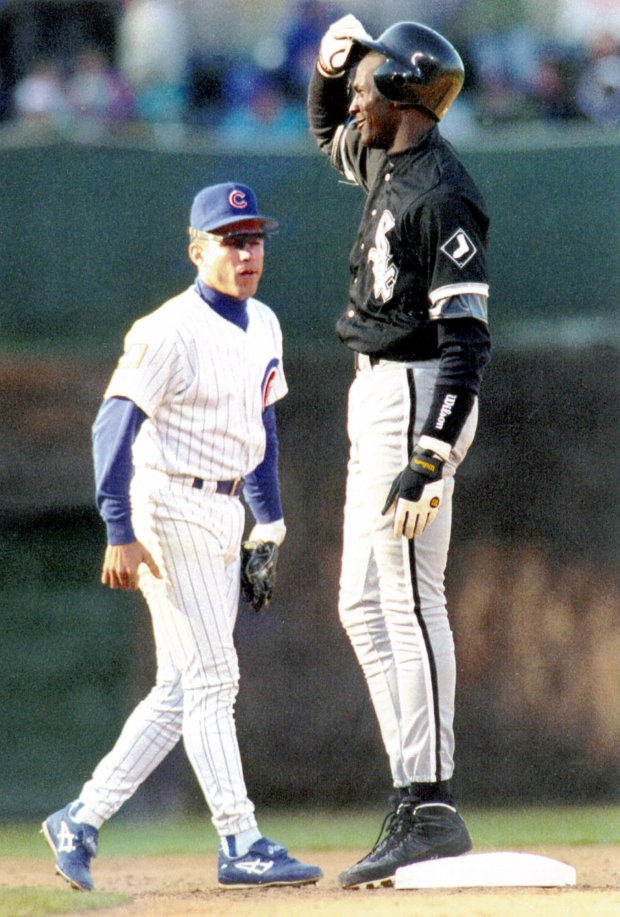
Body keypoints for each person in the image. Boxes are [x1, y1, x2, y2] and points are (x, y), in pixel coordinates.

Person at [41, 182, 323, 892]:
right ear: (197, 250)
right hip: (169, 501)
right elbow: (113, 421)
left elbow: (261, 433)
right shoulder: (166, 328)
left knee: (179, 686)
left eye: (254, 237)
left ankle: (79, 816)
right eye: (231, 239)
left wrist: (272, 523)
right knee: (214, 678)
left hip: (225, 508)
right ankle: (241, 837)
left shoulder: (265, 323)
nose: (247, 250)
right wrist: (119, 527)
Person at [307, 16, 491, 889]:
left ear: (403, 93)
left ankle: (430, 804)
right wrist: (326, 66)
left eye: (368, 78)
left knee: (411, 599)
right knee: (359, 604)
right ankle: (411, 791)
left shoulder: (444, 192)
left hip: (419, 393)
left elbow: (467, 344)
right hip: (371, 387)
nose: (356, 92)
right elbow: (324, 134)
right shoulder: (387, 156)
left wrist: (431, 454)